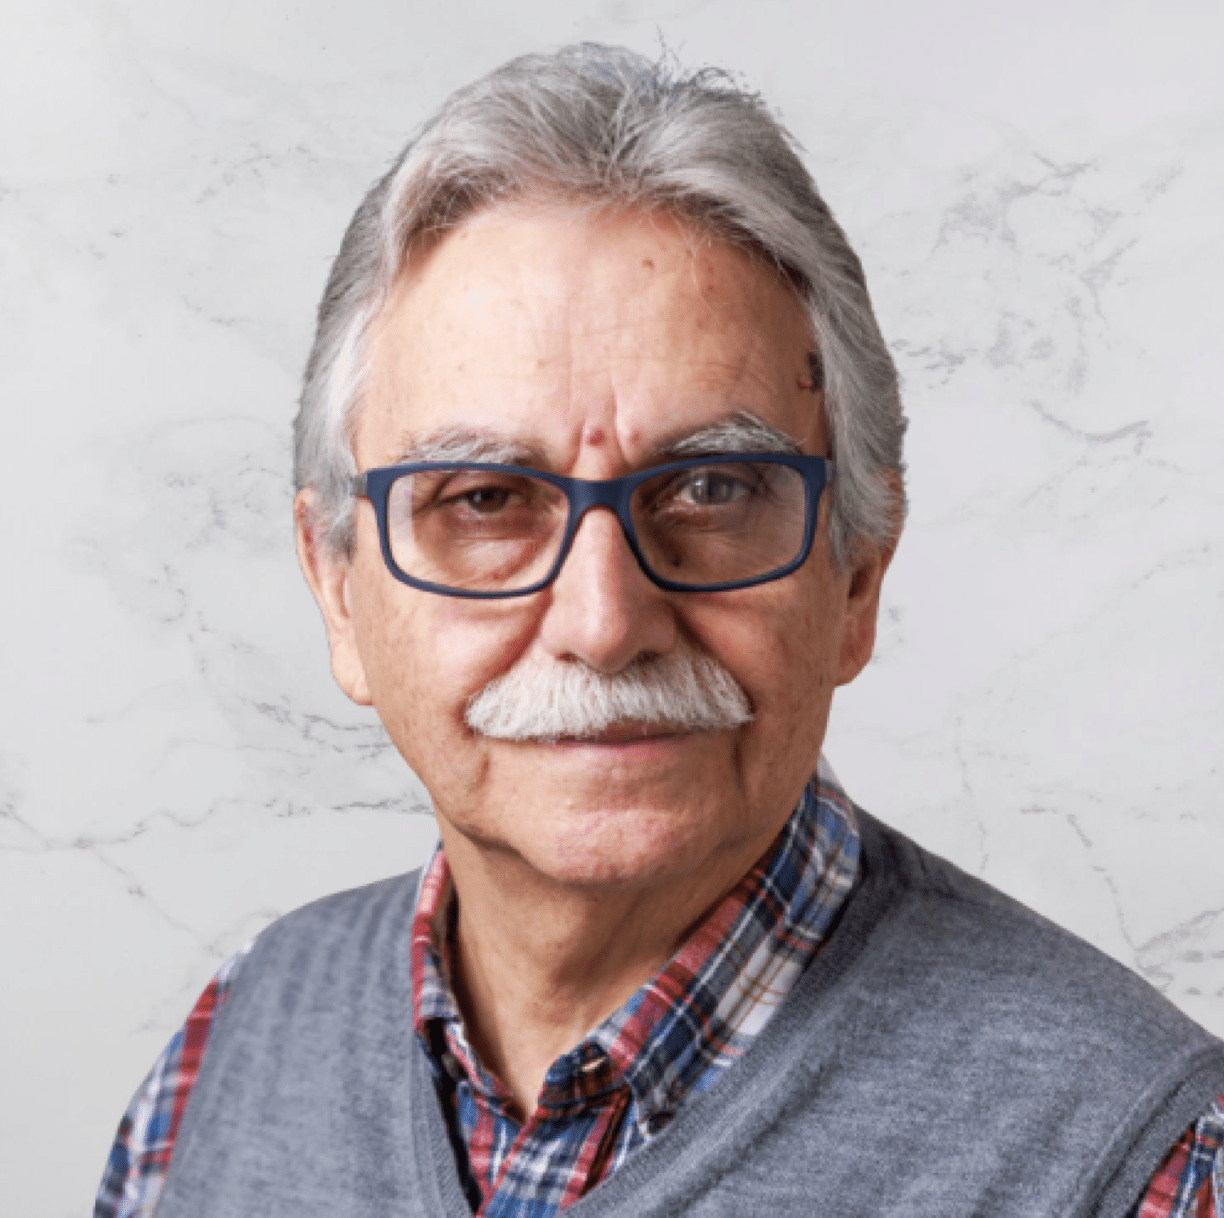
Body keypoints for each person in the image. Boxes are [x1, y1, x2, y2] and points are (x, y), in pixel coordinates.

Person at [95, 45, 1224, 1218]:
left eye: (712, 491)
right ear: (337, 583)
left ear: (858, 577)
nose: (603, 623)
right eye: (484, 501)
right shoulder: (230, 1047)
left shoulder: (1147, 1168)